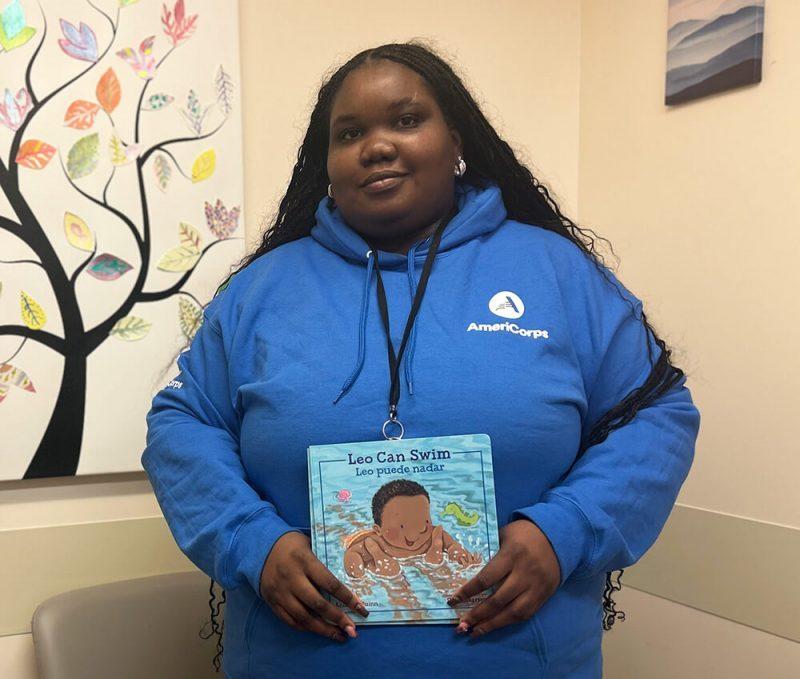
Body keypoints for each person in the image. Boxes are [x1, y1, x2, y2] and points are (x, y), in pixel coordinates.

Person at [142, 42, 701, 678]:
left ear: (456, 140)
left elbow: (656, 414)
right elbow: (181, 427)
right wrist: (250, 541)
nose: (376, 146)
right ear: (326, 162)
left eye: (406, 120)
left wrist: (565, 530)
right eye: (349, 132)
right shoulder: (259, 291)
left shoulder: (555, 271)